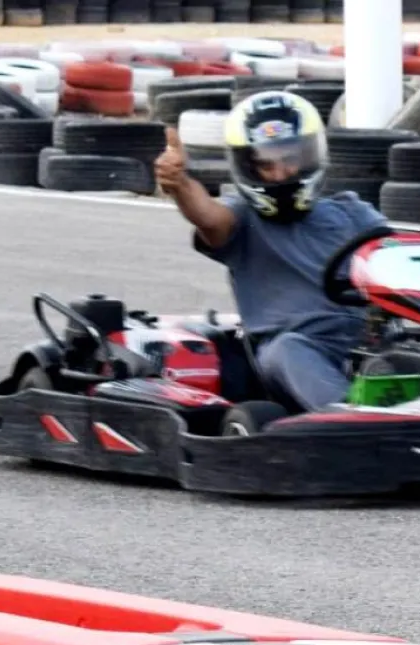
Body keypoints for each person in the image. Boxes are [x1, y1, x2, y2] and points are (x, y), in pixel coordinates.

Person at [153, 90, 387, 412]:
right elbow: (208, 216)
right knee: (287, 350)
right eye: (266, 164)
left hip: (366, 341)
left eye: (289, 159)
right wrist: (180, 184)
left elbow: (400, 253)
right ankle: (353, 419)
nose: (281, 174)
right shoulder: (243, 220)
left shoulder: (352, 212)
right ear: (248, 168)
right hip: (298, 348)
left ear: (310, 155)